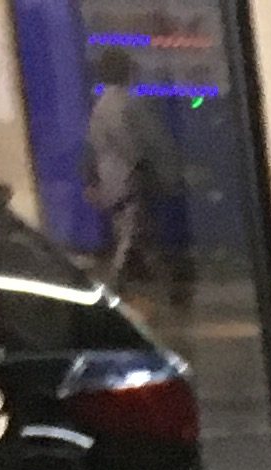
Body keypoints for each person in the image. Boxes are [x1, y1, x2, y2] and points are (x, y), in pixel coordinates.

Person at [80, 51, 184, 314]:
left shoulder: (100, 106)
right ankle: (109, 292)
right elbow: (134, 146)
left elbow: (92, 148)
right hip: (129, 182)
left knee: (142, 237)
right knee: (129, 240)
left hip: (112, 181)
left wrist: (92, 181)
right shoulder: (126, 104)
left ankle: (170, 288)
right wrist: (151, 172)